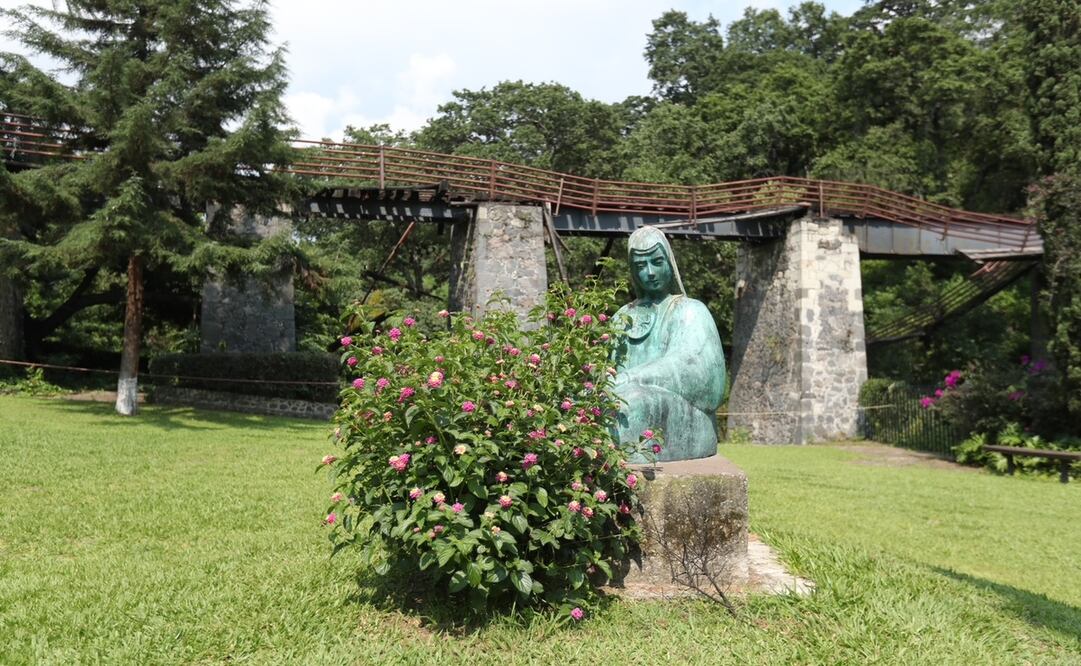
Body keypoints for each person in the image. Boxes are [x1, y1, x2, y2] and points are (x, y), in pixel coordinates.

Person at [612, 226, 726, 461]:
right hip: (625, 396)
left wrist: (631, 378)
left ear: (670, 263)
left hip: (684, 414)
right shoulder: (622, 315)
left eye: (657, 262)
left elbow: (696, 372)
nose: (650, 273)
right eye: (641, 266)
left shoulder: (690, 310)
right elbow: (608, 368)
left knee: (631, 405)